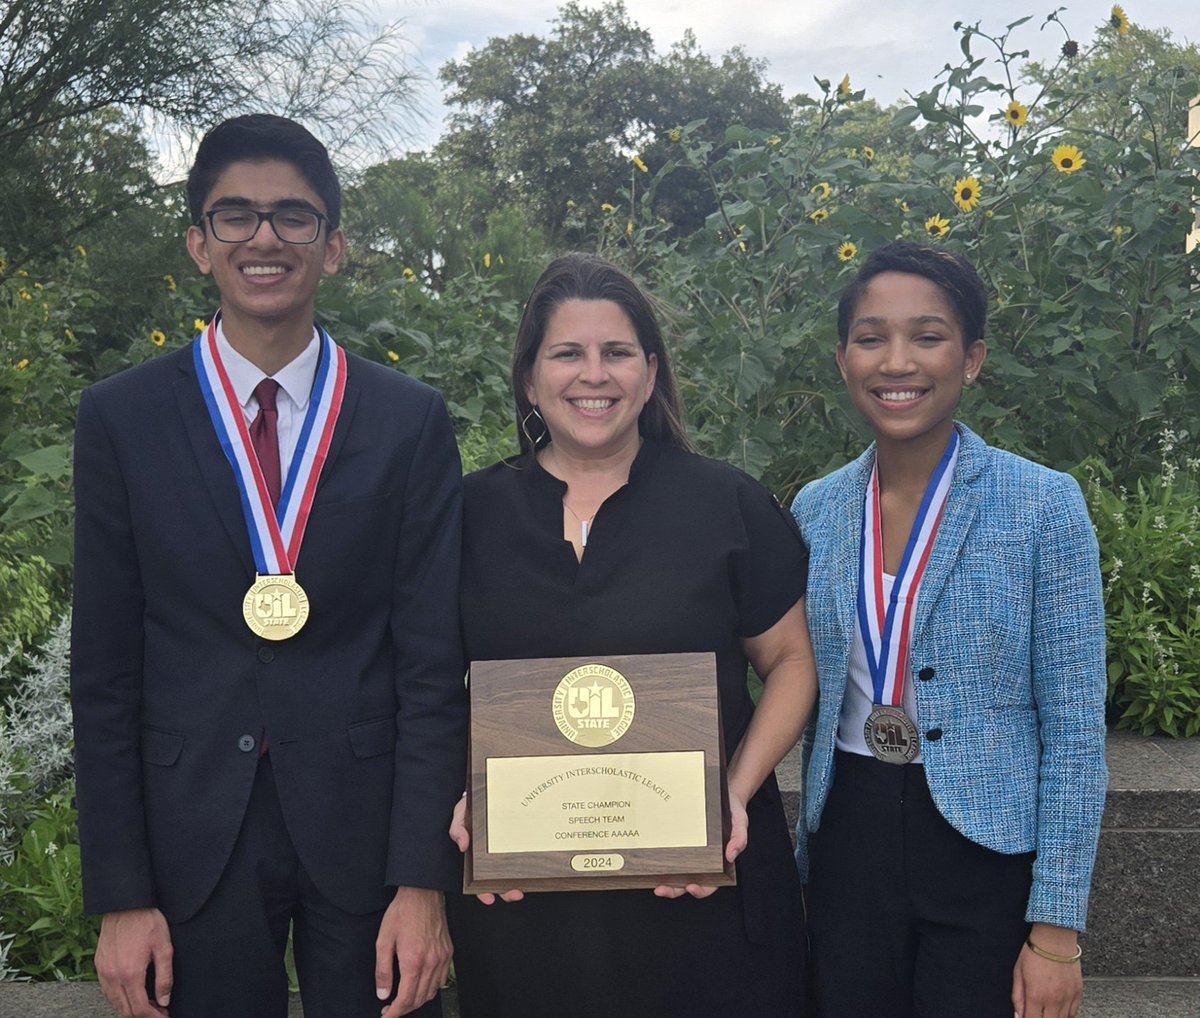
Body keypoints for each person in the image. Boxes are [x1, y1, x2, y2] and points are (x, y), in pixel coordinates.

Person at [70, 114, 466, 1018]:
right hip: (188, 840)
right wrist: (121, 893)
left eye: (293, 217)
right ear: (198, 245)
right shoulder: (121, 421)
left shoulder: (407, 421)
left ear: (331, 247)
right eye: (236, 215)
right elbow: (102, 672)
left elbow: (432, 667)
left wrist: (422, 880)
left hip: (365, 842)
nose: (264, 238)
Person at [444, 252, 816, 1018]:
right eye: (568, 354)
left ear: (649, 373)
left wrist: (731, 796)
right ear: (529, 377)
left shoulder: (726, 504)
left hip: (701, 892)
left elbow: (790, 663)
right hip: (528, 907)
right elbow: (431, 684)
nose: (594, 375)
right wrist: (461, 793)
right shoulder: (467, 516)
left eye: (616, 353)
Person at [792, 241, 1107, 1018]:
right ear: (843, 360)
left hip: (986, 848)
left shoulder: (1043, 506)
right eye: (872, 338)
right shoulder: (815, 509)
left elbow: (1074, 727)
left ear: (971, 360)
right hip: (849, 839)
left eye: (927, 337)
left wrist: (1057, 931)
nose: (897, 361)